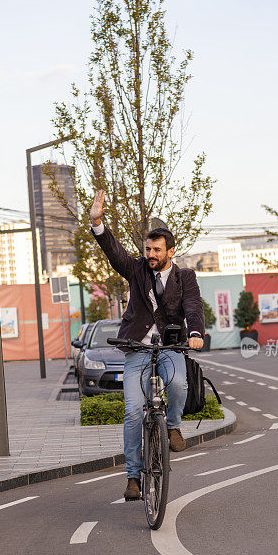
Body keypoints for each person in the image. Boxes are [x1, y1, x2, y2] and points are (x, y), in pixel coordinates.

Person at [90, 190, 205, 501]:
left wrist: (195, 332)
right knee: (131, 412)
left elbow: (193, 307)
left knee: (179, 382)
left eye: (156, 249)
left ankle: (173, 426)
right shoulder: (137, 269)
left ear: (169, 250)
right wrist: (98, 222)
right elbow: (115, 253)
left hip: (170, 347)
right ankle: (132, 477)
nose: (151, 254)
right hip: (136, 349)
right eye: (147, 249)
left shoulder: (186, 278)